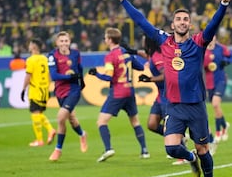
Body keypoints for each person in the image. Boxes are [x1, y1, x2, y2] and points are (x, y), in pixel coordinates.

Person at [110, 0, 232, 177]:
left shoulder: (198, 42)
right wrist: (123, 0)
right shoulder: (164, 41)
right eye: (179, 19)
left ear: (190, 24)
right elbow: (141, 21)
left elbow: (213, 25)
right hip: (173, 105)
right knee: (172, 147)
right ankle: (189, 158)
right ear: (172, 23)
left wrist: (223, 5)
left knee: (204, 148)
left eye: (186, 19)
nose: (183, 22)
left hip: (195, 106)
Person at [88, 27, 150, 162]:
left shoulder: (110, 56)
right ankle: (144, 150)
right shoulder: (126, 53)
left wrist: (96, 74)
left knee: (101, 121)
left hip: (118, 92)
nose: (104, 40)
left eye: (105, 38)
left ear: (110, 40)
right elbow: (140, 67)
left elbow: (109, 77)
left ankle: (108, 148)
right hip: (130, 91)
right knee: (135, 121)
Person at [135, 35, 188, 165]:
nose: (142, 42)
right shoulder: (154, 55)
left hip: (167, 95)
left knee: (169, 126)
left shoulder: (158, 56)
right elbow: (146, 56)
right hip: (160, 95)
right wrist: (133, 51)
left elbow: (165, 75)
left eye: (144, 39)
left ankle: (184, 155)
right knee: (152, 125)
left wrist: (149, 79)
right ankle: (181, 138)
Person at [47, 31, 88, 161]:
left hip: (74, 90)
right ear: (57, 43)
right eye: (61, 41)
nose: (64, 43)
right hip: (60, 91)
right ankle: (82, 134)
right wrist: (69, 76)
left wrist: (82, 81)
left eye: (66, 41)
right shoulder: (52, 56)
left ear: (69, 42)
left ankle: (58, 149)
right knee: (71, 119)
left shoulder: (75, 54)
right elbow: (54, 76)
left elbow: (80, 68)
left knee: (60, 118)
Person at [21, 38, 56, 147]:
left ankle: (41, 138)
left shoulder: (31, 60)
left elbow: (28, 75)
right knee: (39, 113)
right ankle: (46, 134)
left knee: (35, 113)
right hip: (45, 90)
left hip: (35, 90)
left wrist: (23, 89)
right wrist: (48, 86)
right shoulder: (45, 59)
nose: (29, 46)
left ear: (34, 46)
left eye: (30, 44)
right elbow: (50, 75)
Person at [203, 36, 231, 146]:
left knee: (215, 104)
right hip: (209, 83)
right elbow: (201, 64)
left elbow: (230, 58)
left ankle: (218, 132)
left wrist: (225, 61)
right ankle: (224, 126)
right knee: (216, 107)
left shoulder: (221, 48)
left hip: (220, 80)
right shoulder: (203, 50)